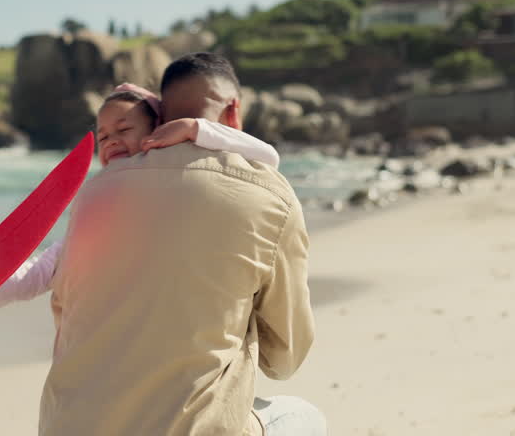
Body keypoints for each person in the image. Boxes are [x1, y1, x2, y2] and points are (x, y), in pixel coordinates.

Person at [39, 53, 324, 436]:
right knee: (304, 417)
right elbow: (285, 359)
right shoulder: (270, 193)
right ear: (234, 110)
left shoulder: (95, 191)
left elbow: (66, 317)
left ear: (160, 117)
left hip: (66, 427)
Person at [0, 82, 279, 311]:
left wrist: (194, 129)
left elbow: (266, 156)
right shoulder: (100, 197)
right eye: (102, 137)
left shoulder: (181, 180)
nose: (111, 141)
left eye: (124, 129)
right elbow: (49, 265)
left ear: (158, 132)